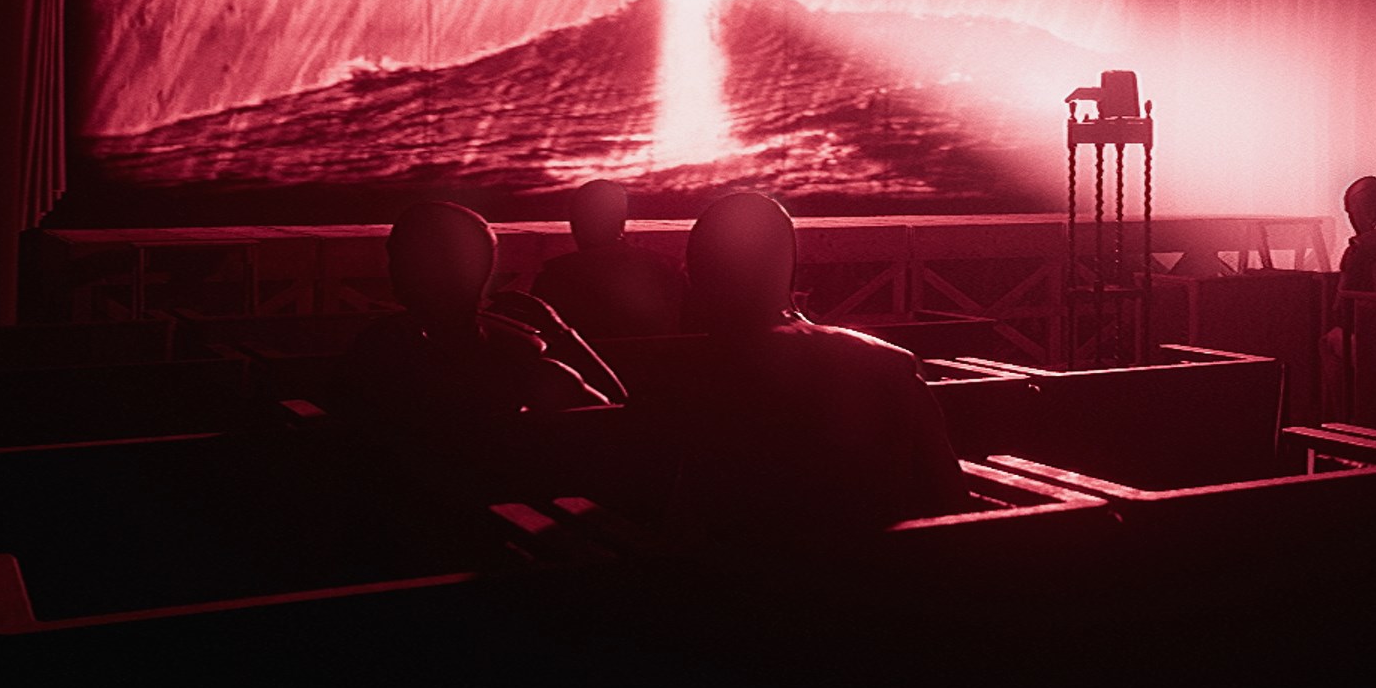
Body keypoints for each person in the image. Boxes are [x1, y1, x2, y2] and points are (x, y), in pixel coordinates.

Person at [653, 194, 970, 539]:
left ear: (700, 279)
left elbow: (673, 514)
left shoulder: (688, 377)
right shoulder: (892, 363)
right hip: (876, 567)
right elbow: (950, 500)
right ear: (788, 271)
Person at [335, 202, 623, 432]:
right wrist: (561, 333)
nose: (390, 268)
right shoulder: (523, 361)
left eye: (398, 257)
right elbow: (618, 414)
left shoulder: (380, 347)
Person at [535, 181, 692, 354]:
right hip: (657, 366)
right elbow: (690, 328)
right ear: (621, 223)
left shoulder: (554, 278)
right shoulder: (668, 269)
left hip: (585, 369)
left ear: (576, 224)